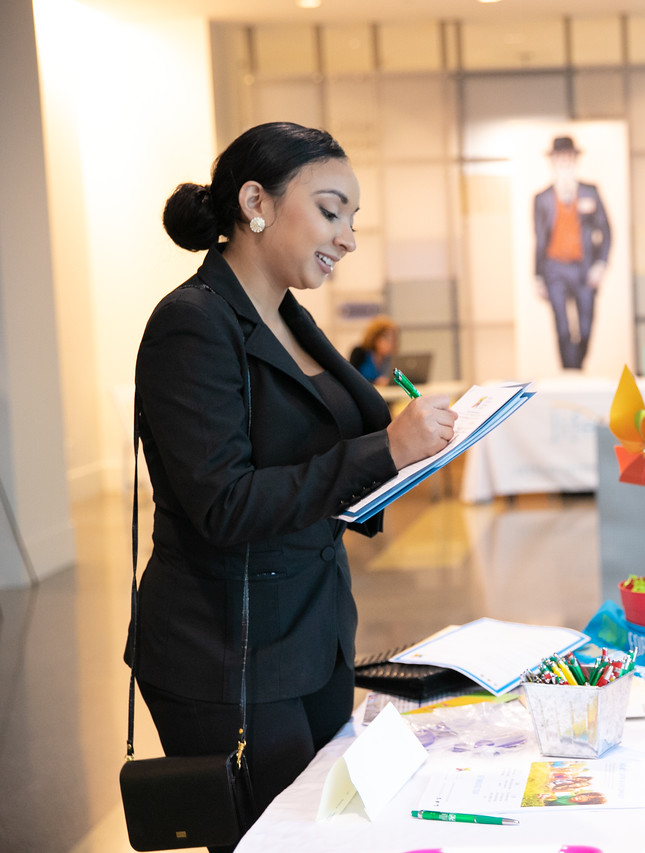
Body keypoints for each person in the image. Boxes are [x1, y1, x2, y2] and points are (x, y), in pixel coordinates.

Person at [128, 121, 458, 848]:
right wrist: (385, 448)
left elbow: (336, 457)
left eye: (353, 218)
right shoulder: (192, 326)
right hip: (227, 649)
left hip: (314, 633)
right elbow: (225, 504)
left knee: (329, 831)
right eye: (331, 209)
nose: (347, 236)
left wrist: (409, 453)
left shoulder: (287, 316)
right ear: (256, 202)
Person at [533, 135, 612, 370]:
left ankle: (578, 366)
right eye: (560, 158)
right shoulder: (542, 199)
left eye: (569, 157)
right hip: (554, 268)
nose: (564, 162)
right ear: (553, 161)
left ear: (575, 160)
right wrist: (538, 276)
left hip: (583, 268)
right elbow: (538, 240)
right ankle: (570, 372)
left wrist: (600, 265)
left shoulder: (590, 192)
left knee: (586, 327)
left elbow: (606, 232)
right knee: (563, 328)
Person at [348, 315, 397, 385]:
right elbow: (351, 378)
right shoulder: (359, 352)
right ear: (375, 337)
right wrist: (375, 382)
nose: (390, 343)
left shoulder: (390, 358)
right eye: (386, 338)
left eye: (392, 339)